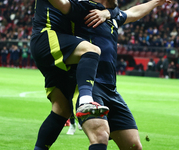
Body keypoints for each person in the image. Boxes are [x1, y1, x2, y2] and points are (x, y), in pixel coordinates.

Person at [65, 0, 172, 149]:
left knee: (134, 146)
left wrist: (155, 2)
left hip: (111, 90)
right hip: (89, 86)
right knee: (100, 136)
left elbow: (134, 13)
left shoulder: (113, 17)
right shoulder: (84, 9)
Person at [30, 1, 115, 149]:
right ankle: (85, 100)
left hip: (60, 49)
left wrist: (108, 13)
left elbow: (113, 8)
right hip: (48, 37)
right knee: (91, 51)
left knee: (61, 109)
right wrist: (108, 12)